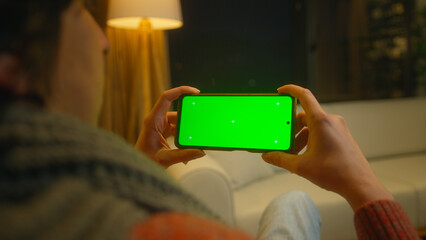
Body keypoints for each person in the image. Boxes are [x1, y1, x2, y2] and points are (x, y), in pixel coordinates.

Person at [0, 0, 420, 239]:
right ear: (13, 66)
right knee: (297, 204)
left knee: (291, 201)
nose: (104, 39)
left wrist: (140, 169)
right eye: (79, 12)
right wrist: (364, 187)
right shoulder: (166, 229)